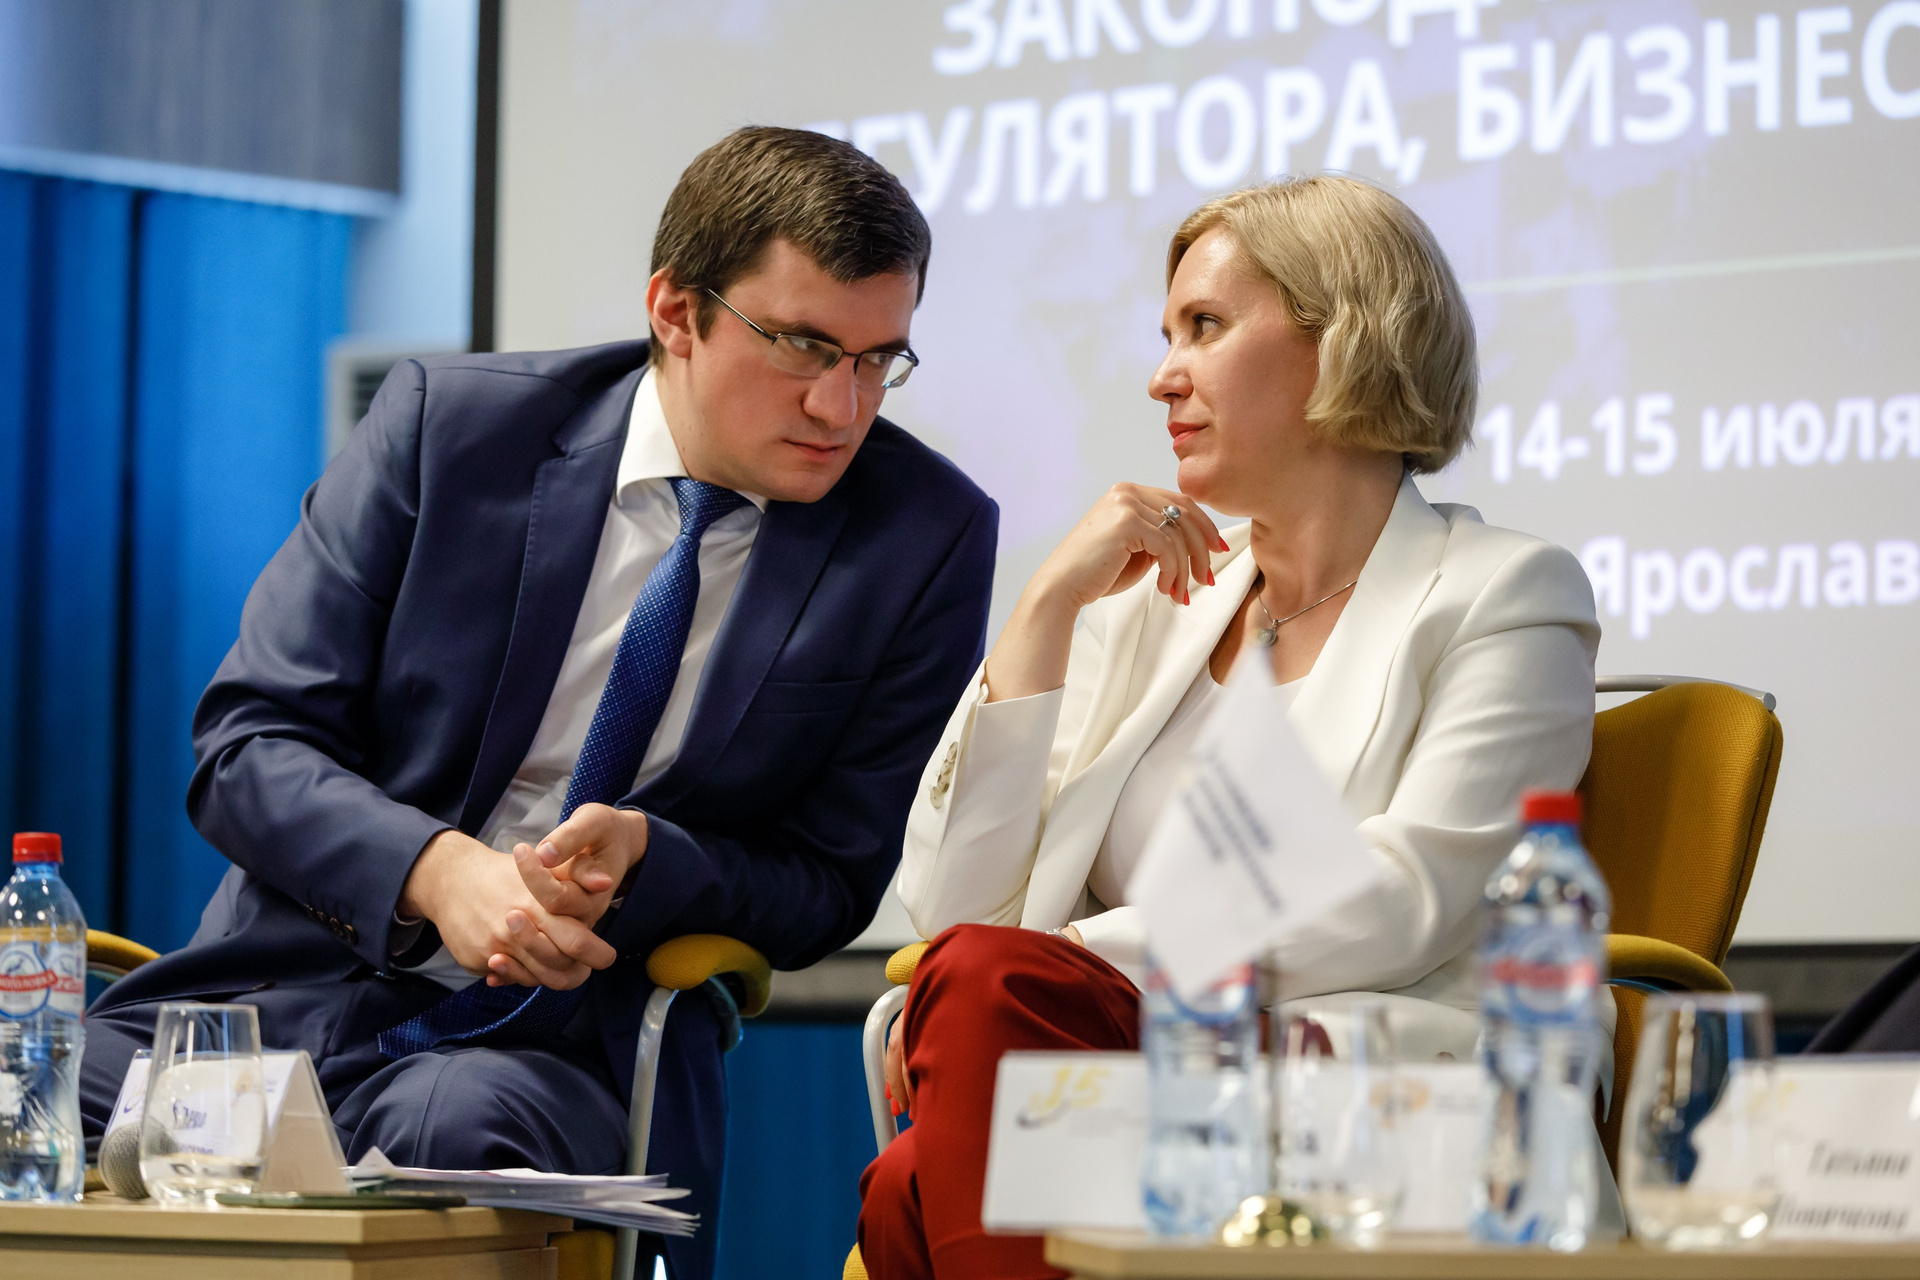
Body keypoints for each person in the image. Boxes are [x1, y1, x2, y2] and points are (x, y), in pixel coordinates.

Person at [80, 127, 997, 1280]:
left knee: (457, 1134)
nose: (841, 404)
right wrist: (437, 872)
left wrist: (655, 856)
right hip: (285, 997)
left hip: (551, 1041)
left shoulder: (921, 536)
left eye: (878, 360)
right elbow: (247, 742)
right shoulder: (452, 431)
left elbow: (829, 878)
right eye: (805, 346)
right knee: (36, 1095)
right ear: (676, 309)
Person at [856, 175, 1602, 1279]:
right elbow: (957, 910)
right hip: (1140, 1094)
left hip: (1360, 1094)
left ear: (1345, 341)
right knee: (933, 1115)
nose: (1164, 375)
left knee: (922, 1164)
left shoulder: (1505, 593)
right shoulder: (1153, 605)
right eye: (1168, 336)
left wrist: (1082, 959)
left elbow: (1403, 895)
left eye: (1204, 326)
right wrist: (1044, 608)